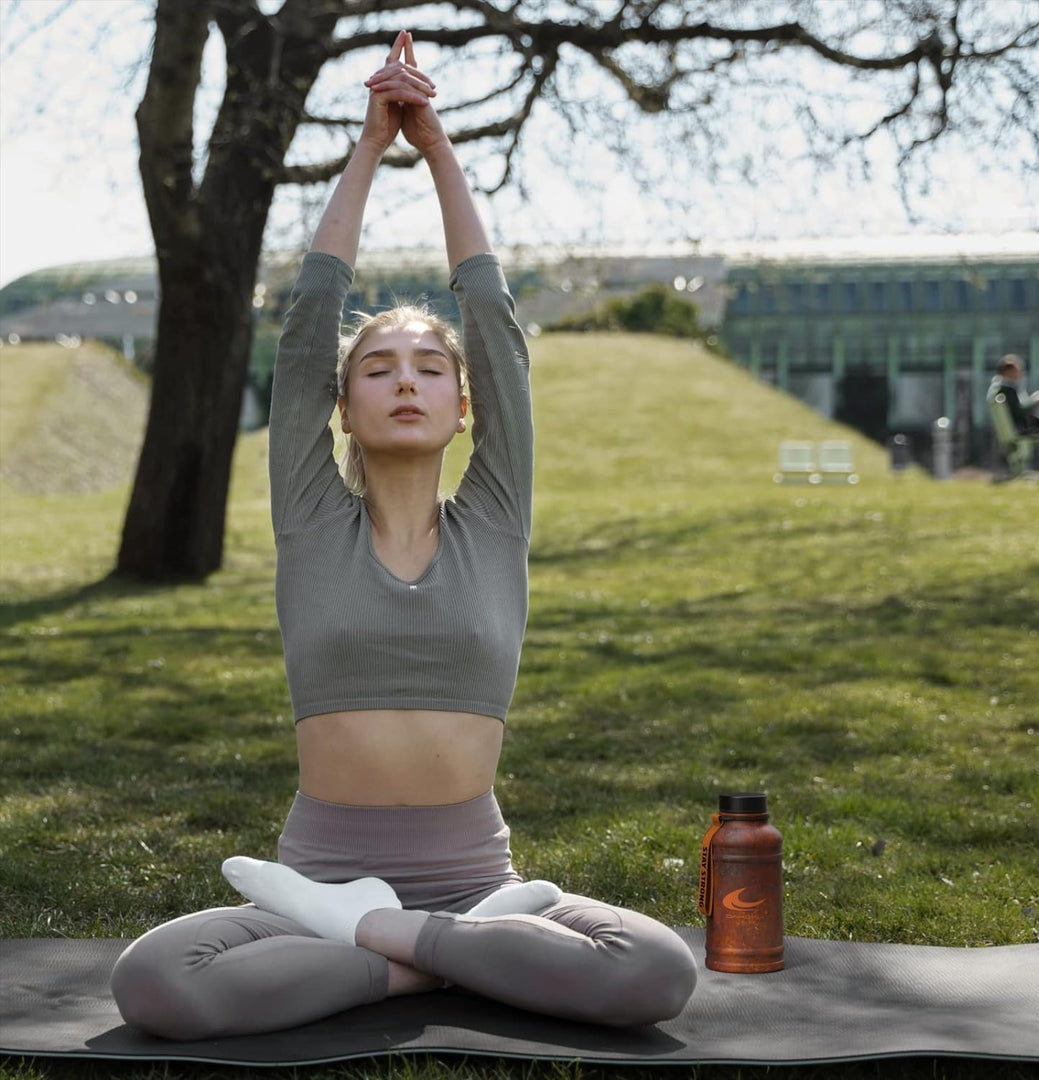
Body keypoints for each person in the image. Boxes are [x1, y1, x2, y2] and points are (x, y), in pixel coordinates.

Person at [110, 32, 697, 1040]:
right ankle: (432, 959)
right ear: (342, 408)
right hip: (316, 880)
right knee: (157, 981)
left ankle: (386, 941)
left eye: (430, 367)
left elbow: (496, 330)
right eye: (377, 369)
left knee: (657, 973)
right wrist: (369, 149)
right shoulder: (309, 518)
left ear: (465, 407)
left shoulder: (497, 515)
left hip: (480, 878)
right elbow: (306, 330)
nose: (407, 381)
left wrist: (438, 148)